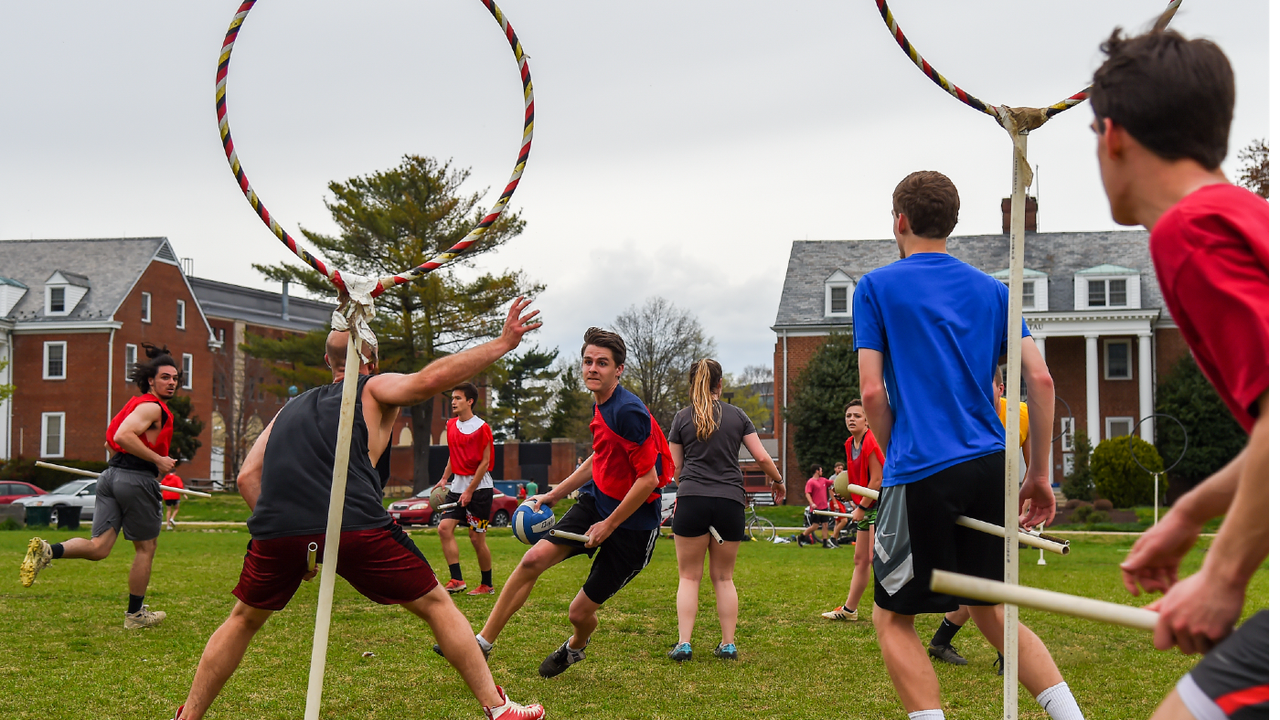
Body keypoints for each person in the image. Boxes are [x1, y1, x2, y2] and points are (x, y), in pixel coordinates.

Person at [170, 299, 545, 720]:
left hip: (278, 531)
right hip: (356, 525)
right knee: (438, 606)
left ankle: (188, 717)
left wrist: (297, 542)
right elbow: (430, 380)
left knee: (242, 619)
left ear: (326, 360)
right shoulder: (371, 388)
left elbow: (245, 479)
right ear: (372, 360)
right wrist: (502, 342)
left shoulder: (287, 410)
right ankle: (499, 710)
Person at [857, 171, 1084, 720]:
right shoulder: (995, 291)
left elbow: (871, 393)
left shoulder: (877, 287)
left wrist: (897, 459)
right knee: (990, 610)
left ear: (899, 221)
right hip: (991, 466)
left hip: (923, 467)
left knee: (893, 618)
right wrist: (1037, 474)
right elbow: (1043, 381)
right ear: (952, 225)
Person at [1090, 29, 1269, 720]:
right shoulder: (1243, 216)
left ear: (1112, 135)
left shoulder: (1190, 232)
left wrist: (1225, 576)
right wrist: (1192, 513)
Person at [458, 327, 673, 678]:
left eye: (602, 363)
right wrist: (555, 493)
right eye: (588, 361)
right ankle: (482, 643)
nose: (592, 368)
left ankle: (575, 647)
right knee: (532, 559)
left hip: (632, 527)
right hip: (596, 503)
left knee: (578, 613)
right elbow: (599, 457)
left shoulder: (628, 411)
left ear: (619, 370)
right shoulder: (601, 404)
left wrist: (610, 524)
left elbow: (648, 479)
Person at [21, 344, 182, 629]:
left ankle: (48, 551)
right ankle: (135, 616)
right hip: (135, 481)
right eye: (165, 377)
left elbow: (111, 442)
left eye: (175, 378)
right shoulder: (151, 407)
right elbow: (123, 434)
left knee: (99, 548)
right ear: (150, 381)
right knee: (146, 548)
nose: (172, 382)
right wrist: (158, 460)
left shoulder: (133, 405)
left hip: (110, 476)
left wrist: (129, 464)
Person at [666, 358, 783, 662]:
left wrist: (688, 486)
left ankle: (684, 644)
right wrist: (778, 481)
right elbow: (762, 457)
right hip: (730, 501)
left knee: (689, 577)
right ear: (720, 385)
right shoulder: (738, 415)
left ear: (693, 384)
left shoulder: (681, 418)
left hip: (692, 500)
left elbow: (675, 467)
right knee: (724, 578)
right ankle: (728, 644)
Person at [929, 371, 1033, 670]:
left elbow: (1031, 468)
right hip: (967, 504)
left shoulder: (1021, 414)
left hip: (1000, 505)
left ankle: (940, 641)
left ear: (1002, 387)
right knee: (988, 582)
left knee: (980, 582)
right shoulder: (961, 414)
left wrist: (1020, 506)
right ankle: (1006, 654)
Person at [822, 398, 884, 622]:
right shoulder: (850, 444)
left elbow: (877, 480)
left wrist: (860, 506)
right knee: (861, 559)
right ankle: (850, 610)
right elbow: (858, 479)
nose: (852, 419)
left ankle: (888, 610)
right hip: (866, 506)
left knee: (878, 559)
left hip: (881, 504)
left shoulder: (871, 441)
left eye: (857, 416)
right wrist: (846, 494)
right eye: (849, 416)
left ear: (867, 420)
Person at [435, 382, 498, 596]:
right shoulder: (451, 425)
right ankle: (457, 580)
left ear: (470, 401)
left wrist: (470, 490)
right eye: (452, 398)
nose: (453, 402)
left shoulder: (483, 428)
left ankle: (486, 585)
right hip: (457, 488)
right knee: (444, 528)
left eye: (458, 398)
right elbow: (454, 455)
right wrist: (444, 478)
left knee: (476, 538)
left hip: (479, 491)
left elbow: (485, 463)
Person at [798, 464, 836, 548]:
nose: (822, 472)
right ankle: (801, 537)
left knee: (825, 525)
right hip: (816, 509)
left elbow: (833, 482)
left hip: (824, 507)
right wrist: (812, 503)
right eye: (821, 470)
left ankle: (825, 544)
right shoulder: (811, 482)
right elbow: (807, 493)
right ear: (817, 471)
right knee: (815, 526)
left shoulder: (823, 480)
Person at [828, 461, 851, 542]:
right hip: (835, 501)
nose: (840, 470)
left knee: (837, 522)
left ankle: (835, 540)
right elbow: (831, 491)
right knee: (844, 520)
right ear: (835, 469)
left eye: (841, 468)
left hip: (842, 501)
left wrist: (851, 502)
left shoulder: (844, 477)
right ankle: (833, 537)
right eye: (838, 468)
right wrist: (835, 503)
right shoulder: (832, 478)